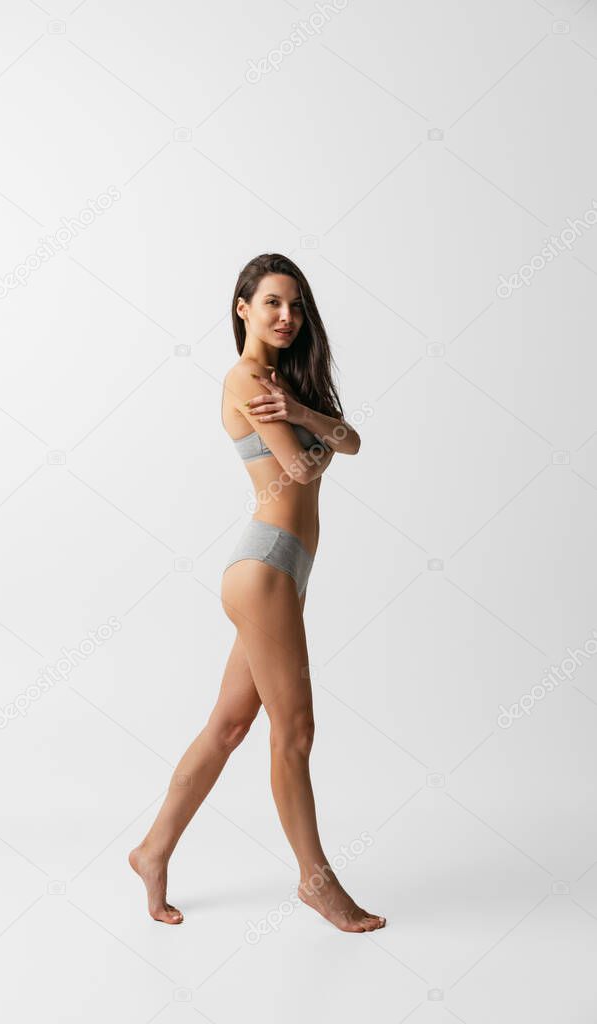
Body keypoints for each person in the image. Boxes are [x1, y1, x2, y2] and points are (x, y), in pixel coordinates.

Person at [129, 253, 386, 933]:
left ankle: (151, 851)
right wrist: (317, 431)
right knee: (294, 731)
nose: (286, 316)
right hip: (264, 567)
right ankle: (316, 882)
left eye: (295, 305)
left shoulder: (282, 383)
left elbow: (351, 440)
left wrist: (306, 411)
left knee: (230, 725)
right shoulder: (244, 377)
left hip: (282, 571)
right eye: (271, 302)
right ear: (241, 307)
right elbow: (302, 468)